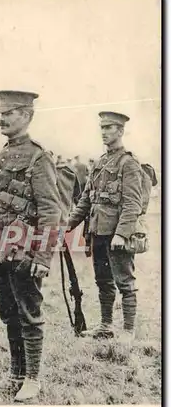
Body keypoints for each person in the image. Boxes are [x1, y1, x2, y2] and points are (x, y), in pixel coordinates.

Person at [0, 90, 63, 402]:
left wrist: (43, 256)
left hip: (25, 250)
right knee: (8, 311)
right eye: (1, 112)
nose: (2, 117)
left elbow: (50, 211)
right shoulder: (2, 154)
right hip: (1, 246)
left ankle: (32, 379)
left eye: (11, 112)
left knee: (29, 313)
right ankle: (14, 376)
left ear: (28, 116)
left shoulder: (39, 157)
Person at [67, 112, 142, 343]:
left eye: (109, 127)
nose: (104, 131)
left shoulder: (128, 163)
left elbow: (133, 203)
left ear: (120, 131)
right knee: (103, 280)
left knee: (125, 282)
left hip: (116, 234)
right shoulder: (100, 162)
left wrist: (121, 234)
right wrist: (68, 225)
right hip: (97, 231)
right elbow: (87, 200)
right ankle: (106, 326)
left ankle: (128, 330)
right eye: (102, 127)